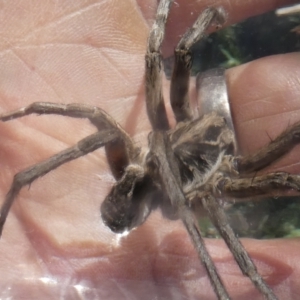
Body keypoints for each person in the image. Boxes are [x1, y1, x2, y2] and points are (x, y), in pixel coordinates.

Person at [0, 0, 299, 299]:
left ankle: (22, 175)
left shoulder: (173, 141)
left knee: (282, 180)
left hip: (154, 183)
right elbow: (166, 54)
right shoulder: (200, 182)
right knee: (109, 118)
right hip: (146, 189)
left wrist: (204, 14)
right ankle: (238, 284)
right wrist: (176, 10)